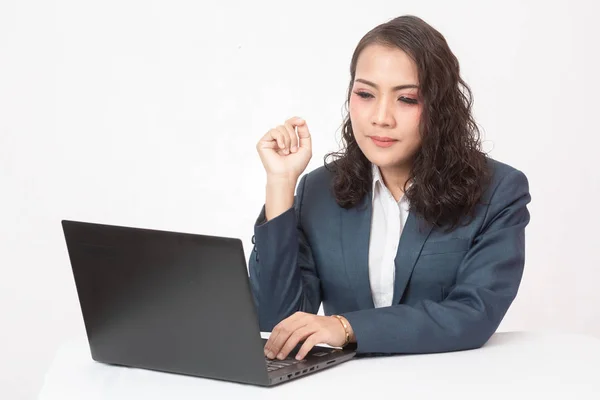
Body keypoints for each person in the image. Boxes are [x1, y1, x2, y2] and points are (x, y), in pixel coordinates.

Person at [249, 15, 531, 362]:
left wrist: (345, 326)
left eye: (407, 99)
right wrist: (280, 185)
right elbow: (277, 324)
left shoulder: (498, 191)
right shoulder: (319, 190)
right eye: (365, 94)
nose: (381, 117)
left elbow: (473, 314)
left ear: (441, 107)